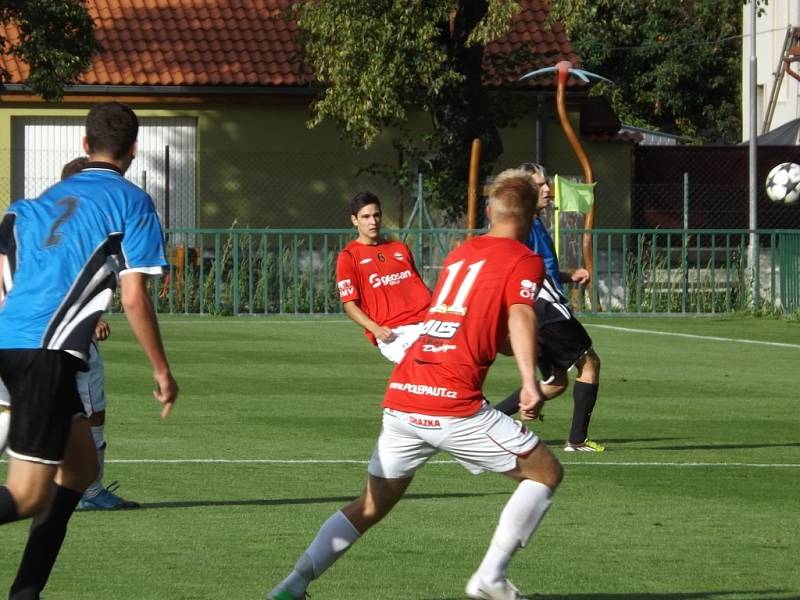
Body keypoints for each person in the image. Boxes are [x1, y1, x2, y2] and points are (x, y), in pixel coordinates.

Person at [268, 169, 563, 600]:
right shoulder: (525, 259)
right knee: (544, 472)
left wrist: (505, 345)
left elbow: (475, 324)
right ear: (533, 217)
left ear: (489, 211)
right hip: (451, 400)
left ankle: (292, 585)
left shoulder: (462, 253)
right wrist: (527, 381)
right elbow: (520, 313)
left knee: (370, 505)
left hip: (405, 391)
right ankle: (490, 579)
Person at [0, 101, 178, 599]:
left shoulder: (32, 204)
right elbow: (134, 295)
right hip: (46, 353)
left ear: (84, 144)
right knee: (27, 494)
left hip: (12, 341)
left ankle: (25, 594)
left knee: (79, 470)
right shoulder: (131, 202)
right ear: (134, 150)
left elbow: (7, 274)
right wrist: (163, 371)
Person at [0, 156, 138, 509]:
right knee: (90, 411)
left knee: (9, 408)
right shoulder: (84, 223)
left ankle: (82, 489)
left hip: (13, 334)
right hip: (57, 341)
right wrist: (90, 320)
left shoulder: (32, 218)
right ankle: (89, 492)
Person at [493, 162, 604, 453]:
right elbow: (513, 266)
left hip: (540, 303)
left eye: (546, 183)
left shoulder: (536, 222)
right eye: (539, 184)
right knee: (589, 363)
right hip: (544, 307)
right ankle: (577, 441)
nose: (547, 189)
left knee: (555, 382)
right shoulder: (522, 225)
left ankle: (486, 423)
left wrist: (568, 276)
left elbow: (539, 267)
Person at [336, 191, 431, 363]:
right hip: (393, 332)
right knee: (424, 371)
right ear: (354, 220)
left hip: (427, 323)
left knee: (455, 371)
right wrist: (375, 329)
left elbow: (418, 287)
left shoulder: (400, 248)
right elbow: (349, 305)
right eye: (365, 217)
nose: (373, 222)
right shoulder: (349, 256)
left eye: (376, 215)